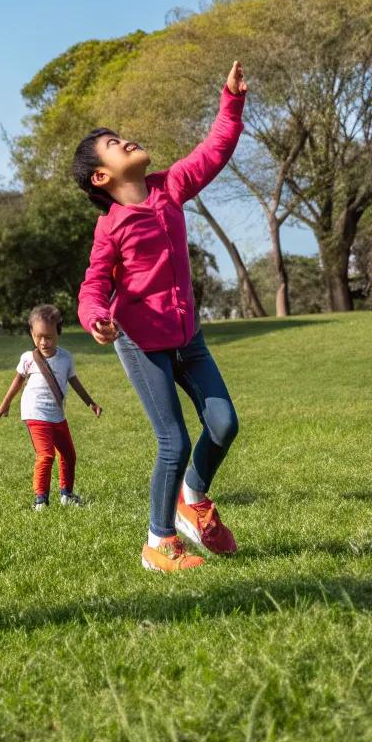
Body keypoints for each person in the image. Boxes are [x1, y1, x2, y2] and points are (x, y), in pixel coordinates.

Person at [72, 62, 246, 574]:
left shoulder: (169, 187)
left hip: (188, 337)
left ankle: (194, 496)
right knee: (174, 441)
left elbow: (213, 151)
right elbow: (92, 286)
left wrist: (231, 102)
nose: (126, 141)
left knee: (224, 424)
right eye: (114, 144)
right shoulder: (111, 228)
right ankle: (158, 543)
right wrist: (96, 318)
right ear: (102, 177)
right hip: (141, 343)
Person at [0, 304, 101, 509]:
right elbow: (17, 382)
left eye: (49, 337)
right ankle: (40, 500)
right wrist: (4, 406)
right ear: (32, 333)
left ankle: (67, 495)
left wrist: (90, 402)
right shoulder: (28, 358)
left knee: (69, 455)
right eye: (38, 337)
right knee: (46, 455)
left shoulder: (65, 358)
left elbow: (74, 381)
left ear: (58, 332)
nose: (43, 342)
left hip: (57, 414)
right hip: (35, 412)